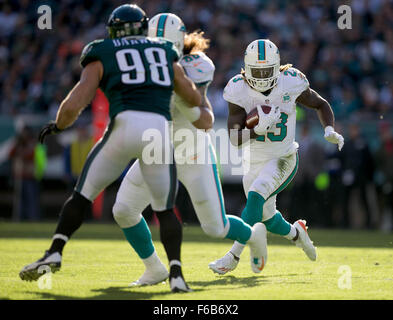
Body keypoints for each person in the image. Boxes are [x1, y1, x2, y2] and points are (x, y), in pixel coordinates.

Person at [19, 4, 206, 293]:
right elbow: (192, 98)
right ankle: (177, 276)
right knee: (165, 210)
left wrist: (58, 125)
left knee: (82, 195)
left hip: (123, 126)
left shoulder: (102, 51)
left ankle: (56, 250)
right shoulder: (164, 51)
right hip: (157, 131)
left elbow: (76, 101)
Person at [112, 13, 267, 291]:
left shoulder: (196, 65)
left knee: (215, 228)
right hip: (155, 152)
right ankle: (154, 267)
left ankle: (253, 235)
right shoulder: (143, 63)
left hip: (192, 153)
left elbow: (189, 103)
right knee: (124, 209)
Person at [209, 39, 344, 274]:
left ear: (277, 67)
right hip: (254, 161)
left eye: (266, 71)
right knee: (268, 218)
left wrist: (329, 129)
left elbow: (320, 104)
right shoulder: (237, 89)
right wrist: (255, 130)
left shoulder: (290, 82)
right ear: (246, 68)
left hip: (283, 158)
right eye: (256, 71)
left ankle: (233, 256)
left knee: (255, 196)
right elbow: (234, 137)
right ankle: (297, 233)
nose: (261, 76)